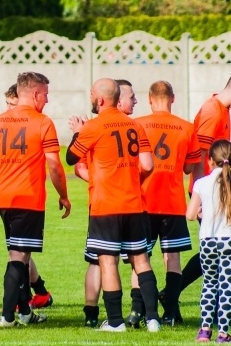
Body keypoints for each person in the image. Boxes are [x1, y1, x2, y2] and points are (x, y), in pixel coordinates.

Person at [66, 78, 161, 332]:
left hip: (105, 205)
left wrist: (78, 132)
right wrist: (131, 180)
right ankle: (152, 319)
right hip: (133, 204)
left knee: (108, 262)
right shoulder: (135, 126)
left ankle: (116, 322)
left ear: (99, 100)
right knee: (141, 260)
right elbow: (149, 165)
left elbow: (70, 157)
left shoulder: (93, 127)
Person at [0, 72, 70, 328]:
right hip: (28, 198)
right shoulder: (42, 122)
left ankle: (25, 312)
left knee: (20, 256)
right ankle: (7, 317)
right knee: (18, 257)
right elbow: (54, 165)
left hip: (4, 198)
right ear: (36, 93)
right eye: (46, 95)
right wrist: (63, 195)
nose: (47, 100)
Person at [174, 70, 231, 309]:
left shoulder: (220, 109)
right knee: (216, 247)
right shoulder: (212, 112)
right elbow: (200, 155)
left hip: (210, 188)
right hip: (207, 190)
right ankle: (174, 294)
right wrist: (201, 196)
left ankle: (171, 294)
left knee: (212, 247)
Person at [134, 81, 201, 326]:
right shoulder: (187, 127)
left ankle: (138, 310)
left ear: (150, 99)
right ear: (172, 98)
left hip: (144, 201)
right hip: (172, 203)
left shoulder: (137, 124)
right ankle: (171, 312)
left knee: (141, 257)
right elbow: (187, 168)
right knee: (172, 257)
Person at [186, 139, 231, 343]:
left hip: (207, 240)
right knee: (226, 285)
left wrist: (203, 213)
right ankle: (223, 332)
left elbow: (191, 215)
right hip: (230, 240)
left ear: (209, 161)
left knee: (209, 284)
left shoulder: (201, 184)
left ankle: (204, 330)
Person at [0, 84, 54, 310]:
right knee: (20, 253)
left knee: (19, 253)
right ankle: (27, 301)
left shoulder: (36, 122)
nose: (10, 109)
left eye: (13, 104)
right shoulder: (7, 122)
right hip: (15, 198)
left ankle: (21, 304)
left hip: (25, 197)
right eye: (8, 105)